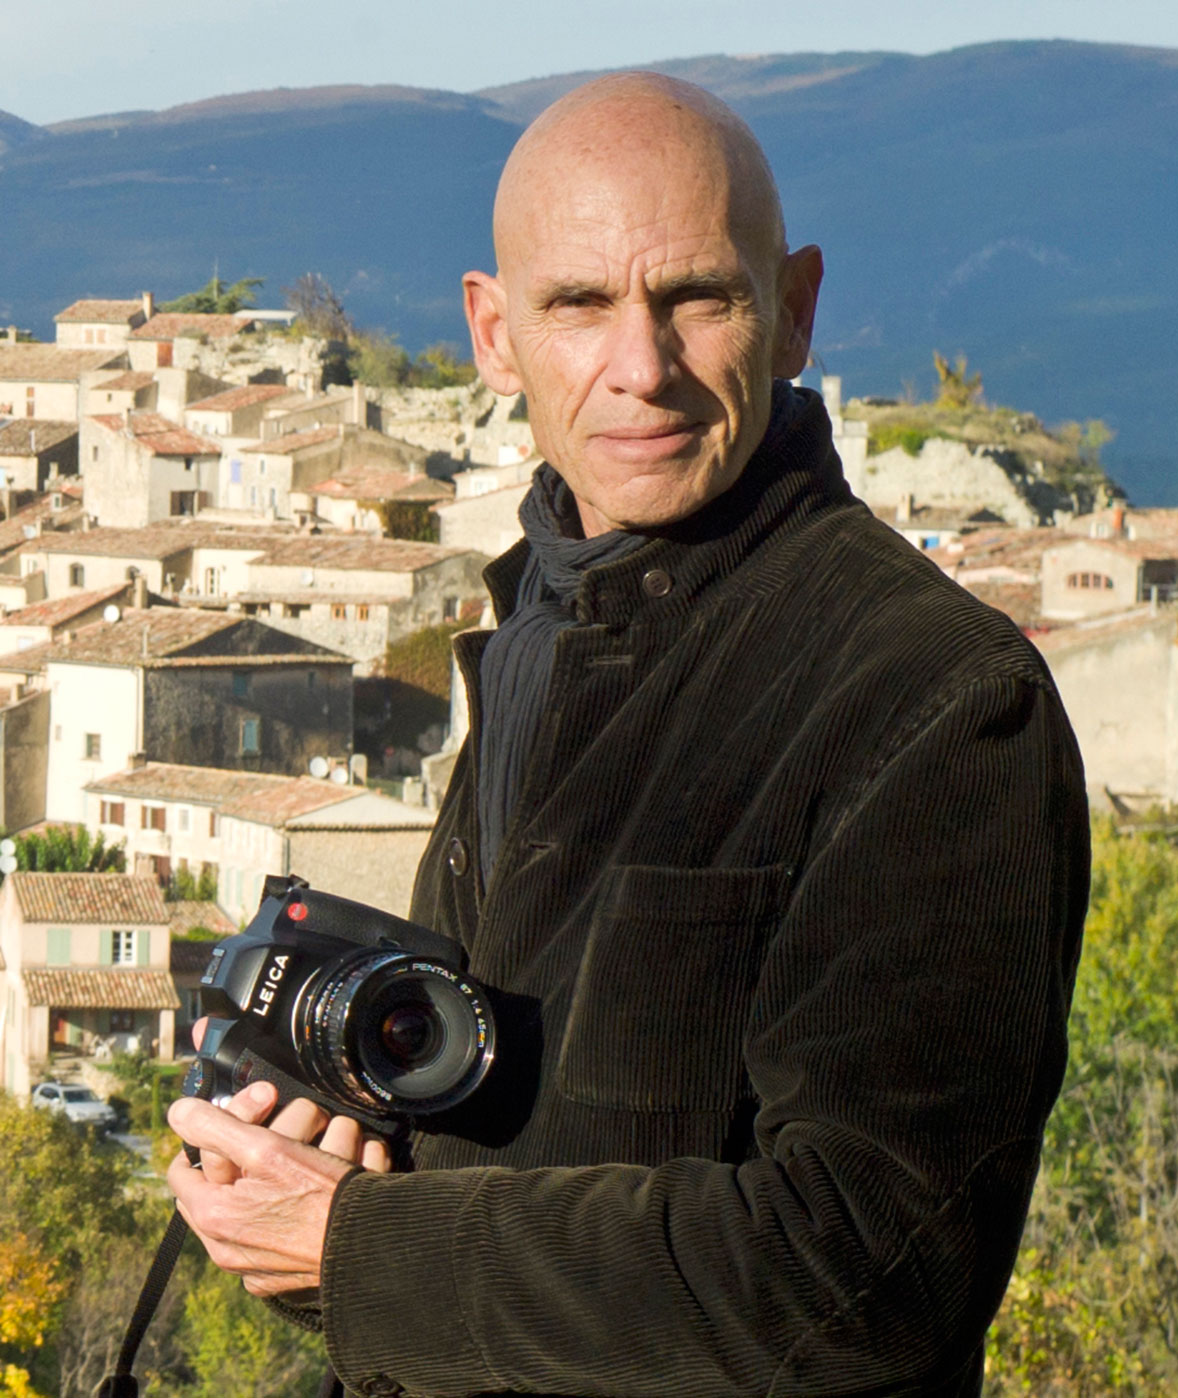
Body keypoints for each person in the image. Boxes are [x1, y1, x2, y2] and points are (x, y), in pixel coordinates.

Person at [167, 73, 1089, 1397]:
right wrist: (323, 1167)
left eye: (699, 298)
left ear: (796, 310)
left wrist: (361, 1248)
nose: (641, 367)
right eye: (580, 303)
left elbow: (870, 1273)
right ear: (494, 334)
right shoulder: (532, 622)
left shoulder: (936, 696)